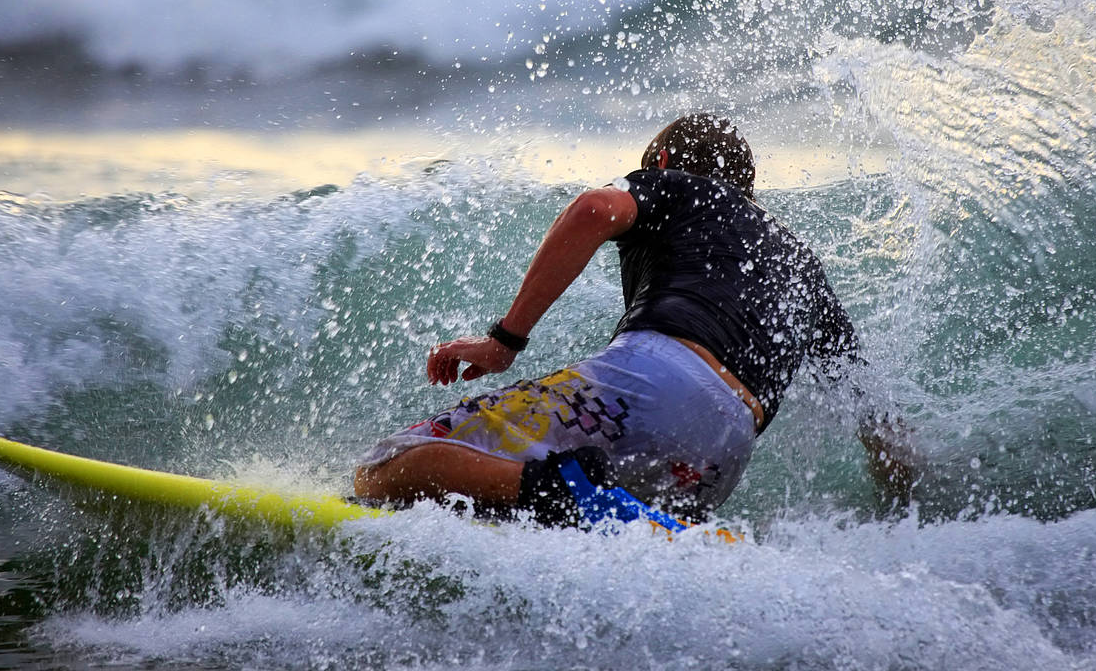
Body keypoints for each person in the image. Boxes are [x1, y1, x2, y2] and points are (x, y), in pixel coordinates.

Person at [354, 113, 912, 525]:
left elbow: (595, 209)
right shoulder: (800, 266)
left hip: (654, 381)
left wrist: (504, 342)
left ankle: (565, 487)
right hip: (725, 448)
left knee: (388, 467)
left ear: (662, 163)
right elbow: (879, 425)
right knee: (548, 521)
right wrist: (907, 509)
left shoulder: (680, 186)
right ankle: (573, 497)